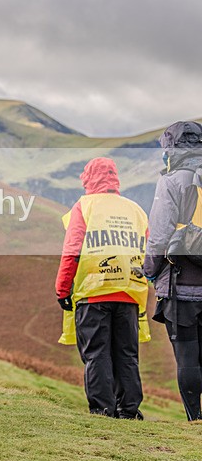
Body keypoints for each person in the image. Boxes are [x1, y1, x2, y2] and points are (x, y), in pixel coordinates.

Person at [55, 157, 149, 419]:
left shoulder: (84, 207)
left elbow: (72, 251)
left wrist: (62, 289)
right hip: (129, 293)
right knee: (127, 355)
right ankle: (129, 410)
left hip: (93, 292)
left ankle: (102, 410)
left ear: (87, 178)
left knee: (96, 353)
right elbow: (150, 253)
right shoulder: (135, 210)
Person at [144, 121, 202, 421]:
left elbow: (159, 235)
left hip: (182, 288)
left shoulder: (171, 181)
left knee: (188, 358)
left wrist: (150, 271)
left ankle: (195, 419)